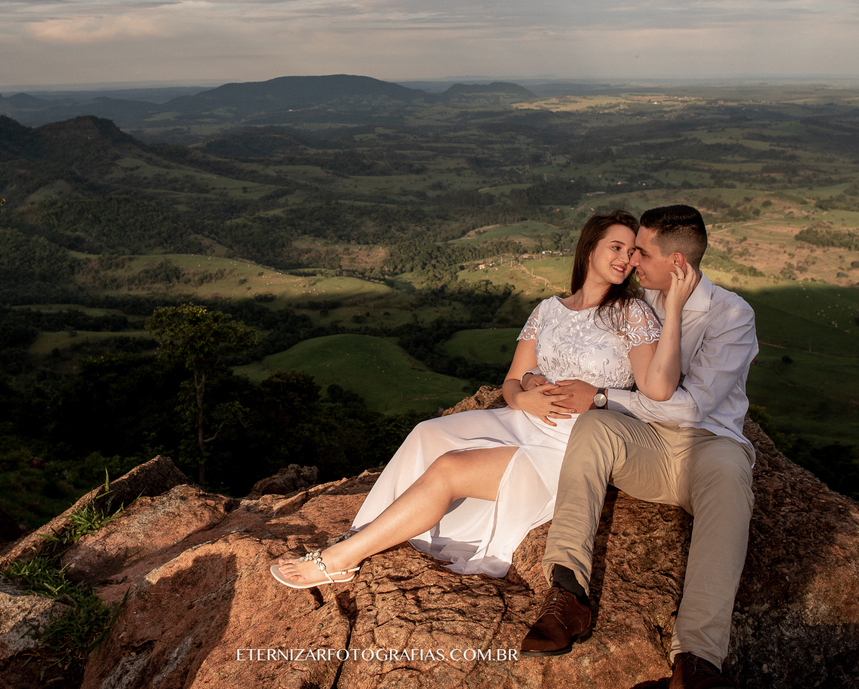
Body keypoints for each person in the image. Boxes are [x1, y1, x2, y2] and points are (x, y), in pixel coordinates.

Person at [270, 209, 697, 590]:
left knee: (450, 469)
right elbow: (511, 382)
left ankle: (342, 560)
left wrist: (672, 310)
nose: (627, 259)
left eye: (633, 251)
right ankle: (363, 531)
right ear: (589, 249)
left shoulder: (632, 313)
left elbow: (658, 389)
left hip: (574, 442)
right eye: (616, 247)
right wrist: (522, 399)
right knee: (426, 433)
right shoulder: (548, 309)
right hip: (522, 420)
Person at [517, 205, 757, 689]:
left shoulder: (732, 315)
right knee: (592, 429)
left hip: (708, 449)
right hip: (645, 445)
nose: (631, 262)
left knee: (732, 478)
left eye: (642, 253)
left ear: (677, 264)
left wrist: (603, 396)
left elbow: (693, 409)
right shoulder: (640, 299)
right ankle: (567, 595)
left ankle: (696, 660)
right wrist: (533, 379)